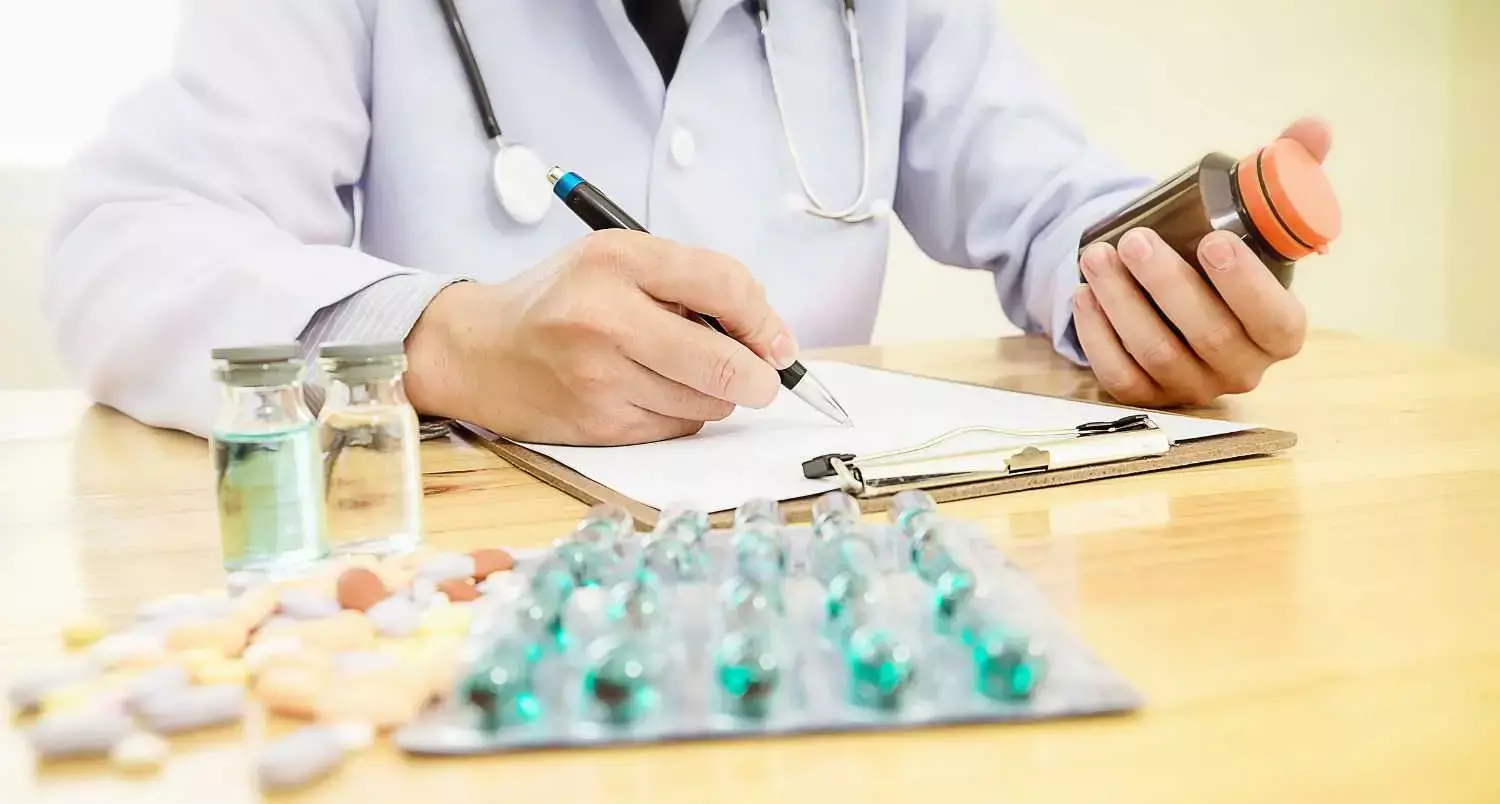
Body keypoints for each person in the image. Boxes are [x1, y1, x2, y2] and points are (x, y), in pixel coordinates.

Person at [40, 0, 1328, 445]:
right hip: (470, 598)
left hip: (819, 565)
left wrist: (1157, 292)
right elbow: (125, 246)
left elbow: (1052, 204)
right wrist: (444, 341)